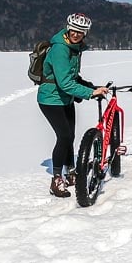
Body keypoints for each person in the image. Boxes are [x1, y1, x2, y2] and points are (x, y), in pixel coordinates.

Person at [38, 13, 109, 197]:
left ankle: (70, 173)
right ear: (68, 28)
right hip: (50, 99)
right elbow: (64, 83)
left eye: (80, 32)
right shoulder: (60, 49)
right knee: (64, 136)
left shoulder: (74, 48)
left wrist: (92, 87)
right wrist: (90, 93)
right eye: (74, 30)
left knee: (70, 136)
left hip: (66, 98)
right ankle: (56, 179)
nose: (76, 34)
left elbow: (73, 77)